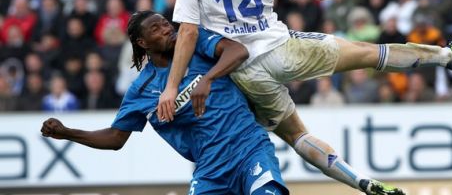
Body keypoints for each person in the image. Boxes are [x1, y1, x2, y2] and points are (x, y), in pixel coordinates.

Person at [160, 0, 452, 195]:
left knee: (297, 136)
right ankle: (445, 57)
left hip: (244, 71)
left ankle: (360, 182)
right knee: (366, 52)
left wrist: (171, 87)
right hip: (283, 48)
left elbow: (187, 32)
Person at [41, 11, 288, 195]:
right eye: (156, 29)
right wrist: (67, 133)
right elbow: (116, 138)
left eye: (166, 23)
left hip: (249, 146)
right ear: (143, 43)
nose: (167, 29)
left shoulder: (193, 40)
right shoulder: (143, 89)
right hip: (210, 167)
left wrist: (209, 78)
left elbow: (237, 51)